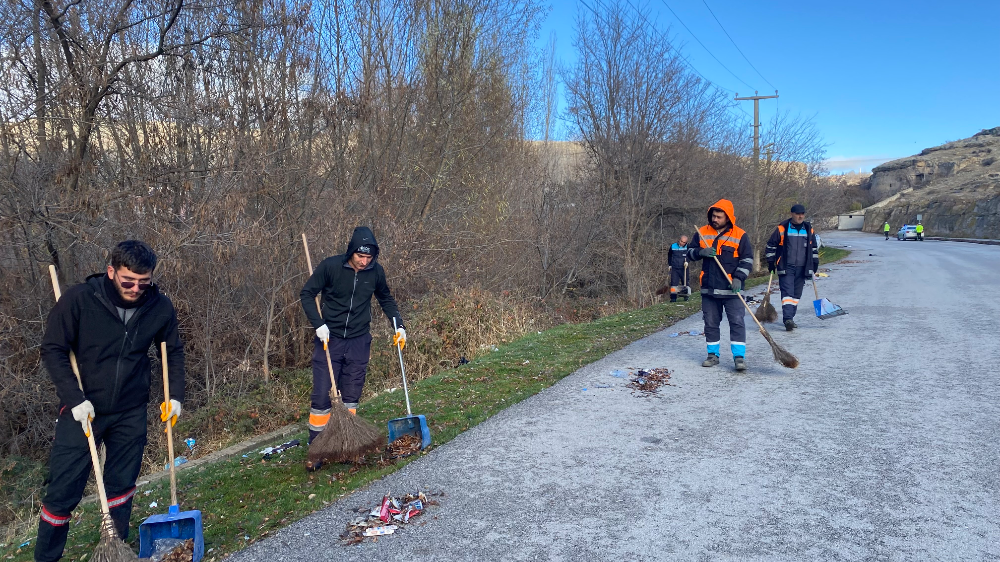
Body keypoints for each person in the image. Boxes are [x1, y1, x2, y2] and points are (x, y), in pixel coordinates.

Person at [36, 241, 185, 562]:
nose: (135, 288)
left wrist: (175, 397)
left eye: (143, 283)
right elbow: (53, 349)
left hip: (130, 409)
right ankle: (46, 557)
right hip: (83, 409)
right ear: (111, 271)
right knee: (63, 491)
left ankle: (116, 549)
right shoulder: (79, 301)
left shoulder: (158, 307)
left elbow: (171, 351)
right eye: (128, 281)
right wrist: (74, 399)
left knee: (121, 483)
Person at [299, 227, 405, 457]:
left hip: (359, 340)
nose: (364, 262)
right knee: (321, 395)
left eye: (369, 257)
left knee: (351, 395)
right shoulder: (331, 267)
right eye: (360, 256)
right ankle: (317, 449)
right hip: (330, 338)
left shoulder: (376, 272)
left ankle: (346, 444)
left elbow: (386, 299)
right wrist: (318, 324)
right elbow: (307, 294)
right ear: (351, 252)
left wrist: (399, 326)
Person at [687, 199, 754, 372]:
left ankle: (739, 357)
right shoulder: (702, 232)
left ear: (728, 218)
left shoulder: (740, 235)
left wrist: (739, 277)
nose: (715, 219)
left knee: (737, 322)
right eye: (713, 216)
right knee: (710, 323)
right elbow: (689, 253)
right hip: (709, 288)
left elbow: (747, 260)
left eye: (719, 216)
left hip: (732, 289)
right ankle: (712, 355)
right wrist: (700, 252)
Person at [765, 204, 820, 332]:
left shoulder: (808, 229)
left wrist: (815, 262)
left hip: (803, 267)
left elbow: (813, 248)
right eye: (797, 214)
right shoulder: (782, 228)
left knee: (796, 295)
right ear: (792, 214)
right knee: (787, 293)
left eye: (802, 214)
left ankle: (790, 318)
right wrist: (771, 262)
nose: (800, 216)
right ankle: (788, 319)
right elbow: (770, 246)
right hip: (786, 266)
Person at [666, 235, 690, 302]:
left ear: (686, 243)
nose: (682, 243)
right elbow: (669, 255)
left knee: (685, 282)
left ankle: (686, 296)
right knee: (674, 283)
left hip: (684, 267)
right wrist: (670, 265)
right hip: (675, 268)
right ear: (679, 240)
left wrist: (687, 261)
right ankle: (673, 298)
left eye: (684, 242)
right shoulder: (673, 246)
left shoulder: (688, 247)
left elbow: (690, 255)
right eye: (681, 241)